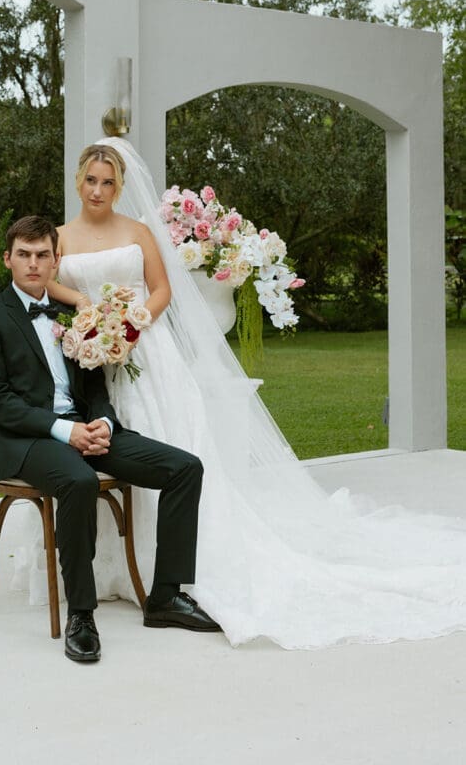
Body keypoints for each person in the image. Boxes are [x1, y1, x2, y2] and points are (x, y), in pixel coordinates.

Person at [44, 138, 466, 650]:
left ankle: (170, 573)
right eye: (91, 180)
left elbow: (161, 289)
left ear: (120, 186)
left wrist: (132, 327)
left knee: (168, 445)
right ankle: (109, 568)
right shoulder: (59, 237)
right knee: (105, 450)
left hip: (147, 353)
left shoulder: (137, 232)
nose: (98, 189)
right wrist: (88, 308)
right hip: (91, 354)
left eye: (108, 182)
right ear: (78, 181)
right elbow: (47, 284)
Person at [0, 214, 220, 664]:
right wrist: (66, 431)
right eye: (23, 255)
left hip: (86, 429)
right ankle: (81, 614)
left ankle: (164, 598)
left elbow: (95, 386)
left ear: (56, 260)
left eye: (42, 255)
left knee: (185, 468)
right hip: (28, 441)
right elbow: (0, 402)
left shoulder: (75, 316)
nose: (33, 263)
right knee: (79, 481)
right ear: (8, 260)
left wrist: (102, 422)